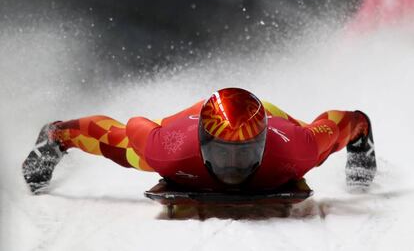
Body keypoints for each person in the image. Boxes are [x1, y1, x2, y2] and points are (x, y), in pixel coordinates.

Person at [22, 88, 376, 194]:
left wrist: (361, 138)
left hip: (269, 114)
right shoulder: (169, 148)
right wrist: (58, 138)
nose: (233, 166)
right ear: (204, 145)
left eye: (243, 153)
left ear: (264, 144)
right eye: (224, 154)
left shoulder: (295, 148)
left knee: (324, 143)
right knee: (129, 151)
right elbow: (131, 126)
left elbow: (348, 123)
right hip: (190, 118)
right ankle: (56, 134)